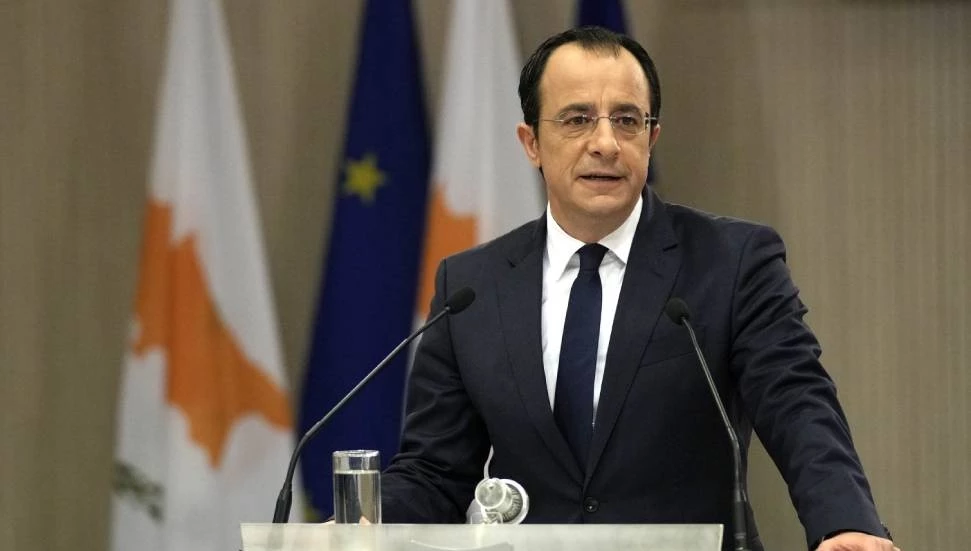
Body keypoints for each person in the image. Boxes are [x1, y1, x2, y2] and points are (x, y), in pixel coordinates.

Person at [381, 26, 897, 551]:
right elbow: (435, 471)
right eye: (577, 119)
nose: (605, 144)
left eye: (627, 120)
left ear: (651, 139)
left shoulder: (732, 262)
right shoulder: (472, 286)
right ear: (531, 142)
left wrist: (844, 522)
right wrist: (359, 525)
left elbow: (797, 401)